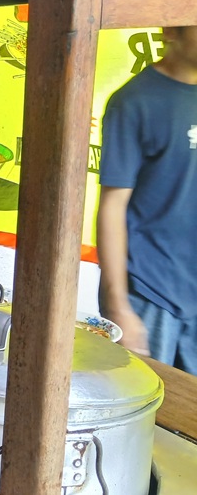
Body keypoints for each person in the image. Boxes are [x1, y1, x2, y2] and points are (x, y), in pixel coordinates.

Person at [97, 25, 197, 373]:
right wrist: (119, 305)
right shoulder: (135, 101)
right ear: (172, 29)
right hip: (150, 292)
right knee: (147, 413)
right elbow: (112, 207)